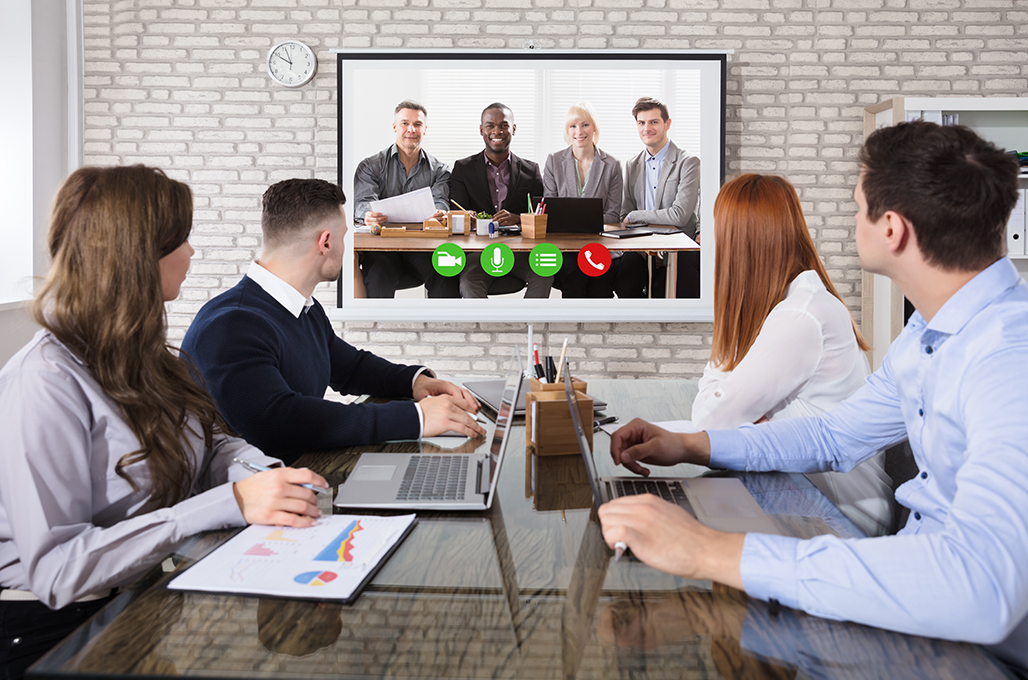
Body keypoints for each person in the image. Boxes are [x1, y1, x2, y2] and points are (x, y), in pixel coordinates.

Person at [598, 121, 1028, 670]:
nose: (851, 221)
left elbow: (979, 586)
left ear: (892, 228)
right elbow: (835, 434)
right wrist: (694, 446)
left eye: (856, 207)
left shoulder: (1009, 358)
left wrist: (708, 549)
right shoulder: (928, 333)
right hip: (920, 600)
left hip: (976, 650)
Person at [0, 166, 326, 680]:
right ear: (138, 254)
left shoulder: (150, 357)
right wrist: (226, 504)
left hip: (140, 601)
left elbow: (212, 444)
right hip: (53, 634)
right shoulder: (43, 381)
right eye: (183, 239)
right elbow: (57, 570)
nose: (193, 253)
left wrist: (256, 470)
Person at [181, 178, 484, 466]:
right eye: (344, 237)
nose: (345, 247)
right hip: (247, 509)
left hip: (295, 483)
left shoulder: (302, 309)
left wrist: (417, 382)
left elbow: (351, 368)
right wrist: (415, 418)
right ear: (325, 243)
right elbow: (279, 420)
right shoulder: (231, 325)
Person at [691, 173, 892, 537]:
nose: (710, 243)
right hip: (810, 493)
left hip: (842, 513)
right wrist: (752, 417)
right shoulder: (792, 302)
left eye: (716, 233)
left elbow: (711, 421)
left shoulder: (799, 317)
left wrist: (746, 414)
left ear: (740, 243)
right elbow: (728, 415)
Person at [353, 100, 458, 298]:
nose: (411, 129)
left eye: (417, 124)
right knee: (377, 275)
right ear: (395, 127)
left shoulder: (440, 170)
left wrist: (441, 212)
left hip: (422, 245)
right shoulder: (371, 166)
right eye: (404, 123)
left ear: (424, 129)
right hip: (382, 247)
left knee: (446, 270)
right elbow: (362, 203)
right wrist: (368, 214)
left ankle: (444, 327)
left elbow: (441, 201)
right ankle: (378, 328)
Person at [451, 103, 552, 299]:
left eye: (504, 125)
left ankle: (528, 326)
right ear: (481, 130)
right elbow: (456, 210)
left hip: (519, 250)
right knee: (469, 284)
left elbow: (540, 216)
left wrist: (517, 219)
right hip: (478, 251)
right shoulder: (463, 168)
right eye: (490, 126)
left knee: (545, 274)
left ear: (513, 129)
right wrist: (468, 217)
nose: (497, 131)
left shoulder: (531, 170)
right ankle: (484, 329)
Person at [618, 97, 701, 299]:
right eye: (642, 123)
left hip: (678, 248)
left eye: (654, 122)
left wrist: (636, 215)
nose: (647, 128)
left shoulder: (688, 162)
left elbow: (679, 216)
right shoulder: (632, 165)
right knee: (623, 284)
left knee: (670, 293)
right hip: (640, 247)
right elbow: (623, 215)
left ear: (667, 124)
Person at [543, 102, 623, 298]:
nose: (579, 131)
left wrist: (575, 222)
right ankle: (573, 328)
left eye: (585, 124)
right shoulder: (554, 161)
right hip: (565, 245)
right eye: (573, 126)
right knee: (573, 277)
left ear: (594, 127)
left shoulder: (612, 165)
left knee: (600, 284)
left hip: (601, 244)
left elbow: (613, 214)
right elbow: (549, 209)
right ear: (567, 131)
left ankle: (599, 329)